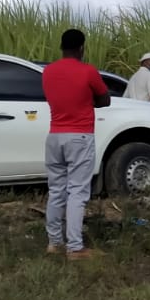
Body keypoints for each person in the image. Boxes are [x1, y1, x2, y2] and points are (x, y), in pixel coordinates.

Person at [41, 28, 111, 260]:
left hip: (54, 136)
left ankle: (54, 243)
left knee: (56, 190)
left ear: (62, 47)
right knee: (77, 192)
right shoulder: (88, 71)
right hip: (80, 137)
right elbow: (105, 99)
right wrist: (89, 100)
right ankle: (75, 247)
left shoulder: (48, 71)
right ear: (81, 48)